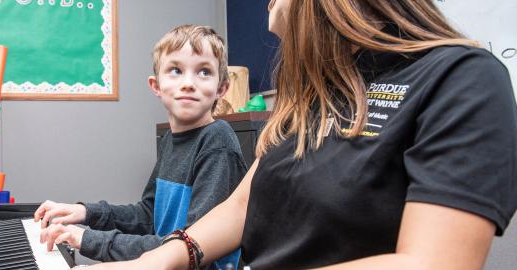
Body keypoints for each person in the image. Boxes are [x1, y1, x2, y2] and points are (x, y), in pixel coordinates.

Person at [83, 0, 517, 269]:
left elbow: (434, 263)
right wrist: (157, 261)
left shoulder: (461, 78)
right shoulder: (312, 97)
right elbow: (240, 207)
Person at [34, 24, 247, 269]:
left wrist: (87, 238)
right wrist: (86, 213)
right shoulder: (170, 140)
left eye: (204, 72)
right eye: (176, 70)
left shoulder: (217, 140)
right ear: (156, 85)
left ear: (222, 88)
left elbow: (189, 248)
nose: (189, 83)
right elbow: (148, 215)